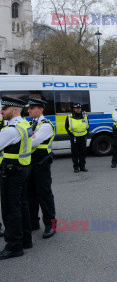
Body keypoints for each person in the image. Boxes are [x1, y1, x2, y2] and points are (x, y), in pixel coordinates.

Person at [0, 96, 32, 260]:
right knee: (22, 206)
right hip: (22, 169)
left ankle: (14, 246)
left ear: (15, 110)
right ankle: (26, 240)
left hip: (12, 172)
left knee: (10, 210)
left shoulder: (11, 130)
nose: (2, 111)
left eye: (4, 109)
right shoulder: (24, 124)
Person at [26, 98, 56, 239]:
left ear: (41, 109)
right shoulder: (30, 123)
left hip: (42, 164)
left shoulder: (46, 125)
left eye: (32, 108)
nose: (29, 110)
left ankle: (51, 225)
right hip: (30, 164)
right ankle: (33, 223)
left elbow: (33, 142)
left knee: (44, 195)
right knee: (30, 194)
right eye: (29, 108)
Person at [65, 103, 88, 173]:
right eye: (77, 109)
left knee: (83, 152)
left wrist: (87, 133)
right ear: (74, 109)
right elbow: (66, 127)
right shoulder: (69, 116)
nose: (78, 110)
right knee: (75, 153)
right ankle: (76, 167)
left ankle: (82, 166)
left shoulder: (84, 116)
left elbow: (87, 125)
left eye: (79, 108)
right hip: (74, 137)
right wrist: (71, 134)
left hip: (83, 137)